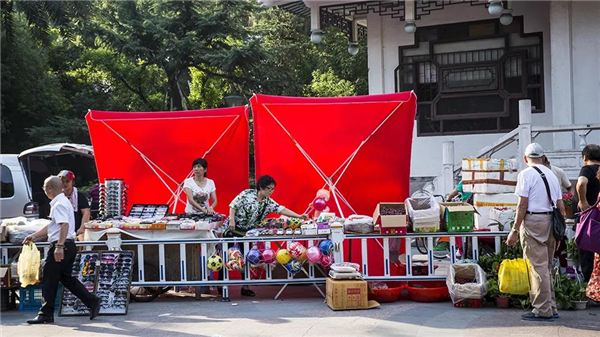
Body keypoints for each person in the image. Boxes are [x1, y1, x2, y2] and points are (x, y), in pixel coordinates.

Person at [23, 176, 100, 324]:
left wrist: (59, 246)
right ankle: (92, 301)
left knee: (49, 279)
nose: (44, 191)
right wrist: (34, 235)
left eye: (44, 188)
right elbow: (53, 225)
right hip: (67, 245)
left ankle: (45, 313)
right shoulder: (62, 202)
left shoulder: (59, 204)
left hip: (62, 245)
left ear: (50, 188)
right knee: (65, 279)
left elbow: (63, 225)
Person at [507, 143, 564, 321]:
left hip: (534, 221)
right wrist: (560, 231)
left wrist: (514, 230)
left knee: (537, 267)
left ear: (526, 158)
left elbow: (522, 205)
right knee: (546, 266)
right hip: (551, 221)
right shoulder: (552, 174)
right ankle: (551, 306)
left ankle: (542, 310)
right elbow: (561, 206)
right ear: (542, 156)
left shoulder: (525, 175)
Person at [227, 175, 308, 296]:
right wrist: (232, 220)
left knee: (246, 258)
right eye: (269, 189)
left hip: (248, 233)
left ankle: (245, 286)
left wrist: (299, 216)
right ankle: (221, 285)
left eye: (272, 189)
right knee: (228, 255)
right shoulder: (246, 194)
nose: (271, 191)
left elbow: (281, 209)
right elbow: (233, 205)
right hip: (233, 230)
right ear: (261, 187)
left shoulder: (268, 202)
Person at [575, 144, 600, 282]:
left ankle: (591, 293)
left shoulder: (587, 169)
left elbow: (581, 183)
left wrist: (583, 201)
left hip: (590, 222)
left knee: (587, 257)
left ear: (585, 157)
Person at [57, 170, 90, 238]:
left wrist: (82, 228)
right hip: (61, 231)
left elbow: (86, 212)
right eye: (62, 181)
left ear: (73, 182)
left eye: (67, 181)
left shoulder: (79, 196)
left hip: (78, 230)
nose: (64, 184)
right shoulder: (57, 196)